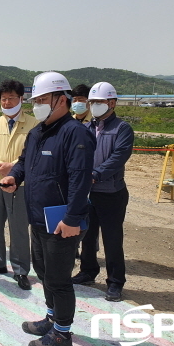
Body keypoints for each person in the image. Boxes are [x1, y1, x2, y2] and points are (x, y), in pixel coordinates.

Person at [0, 71, 95, 346]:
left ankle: (62, 336)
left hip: (62, 221)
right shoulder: (38, 132)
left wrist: (72, 219)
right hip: (39, 217)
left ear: (60, 100)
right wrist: (14, 177)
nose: (37, 105)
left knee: (59, 279)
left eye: (43, 99)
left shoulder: (75, 133)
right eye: (35, 99)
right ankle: (52, 319)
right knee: (43, 272)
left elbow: (80, 179)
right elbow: (23, 162)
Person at [72, 82, 133, 302]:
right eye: (93, 102)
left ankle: (115, 282)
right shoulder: (87, 127)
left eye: (100, 102)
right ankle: (88, 271)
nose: (95, 105)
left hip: (111, 192)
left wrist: (95, 174)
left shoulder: (122, 128)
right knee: (87, 235)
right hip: (88, 192)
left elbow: (118, 158)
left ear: (112, 102)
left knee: (112, 238)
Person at [0, 79, 38, 290]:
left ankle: (21, 269)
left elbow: (32, 153)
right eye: (3, 99)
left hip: (19, 185)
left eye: (11, 98)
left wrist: (12, 168)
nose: (6, 102)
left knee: (19, 228)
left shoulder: (33, 125)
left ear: (21, 99)